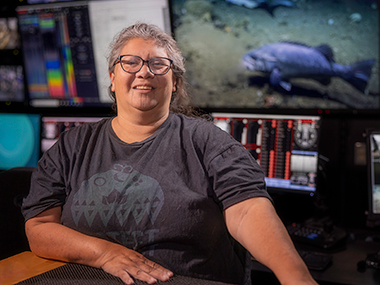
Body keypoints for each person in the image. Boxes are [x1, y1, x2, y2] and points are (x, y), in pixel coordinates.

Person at [21, 23, 317, 285]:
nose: (144, 71)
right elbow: (39, 228)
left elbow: (247, 210)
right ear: (112, 77)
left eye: (159, 64)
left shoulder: (209, 141)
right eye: (130, 62)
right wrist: (104, 254)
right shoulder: (72, 146)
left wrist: (296, 277)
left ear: (175, 81)